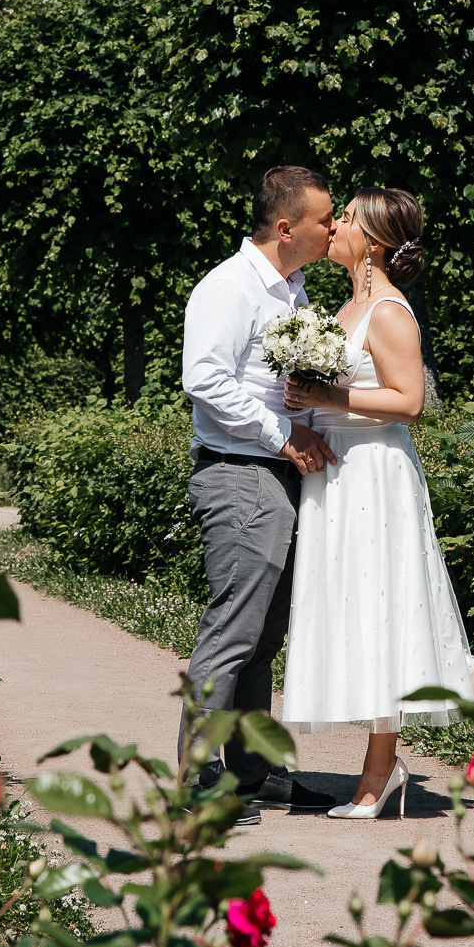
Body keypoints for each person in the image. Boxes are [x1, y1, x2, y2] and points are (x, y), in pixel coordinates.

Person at [280, 187, 474, 819]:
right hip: (337, 471)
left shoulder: (388, 310)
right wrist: (303, 399)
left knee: (379, 610)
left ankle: (379, 774)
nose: (332, 227)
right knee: (360, 614)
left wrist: (328, 400)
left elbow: (410, 401)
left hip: (374, 474)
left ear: (375, 240)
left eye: (347, 221)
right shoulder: (346, 304)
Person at [177, 165, 342, 823]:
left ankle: (253, 771)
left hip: (276, 474)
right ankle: (195, 777)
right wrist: (284, 437)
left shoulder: (291, 292)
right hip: (240, 474)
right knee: (232, 628)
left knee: (263, 635)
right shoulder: (229, 287)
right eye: (325, 219)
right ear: (285, 227)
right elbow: (205, 380)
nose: (333, 229)